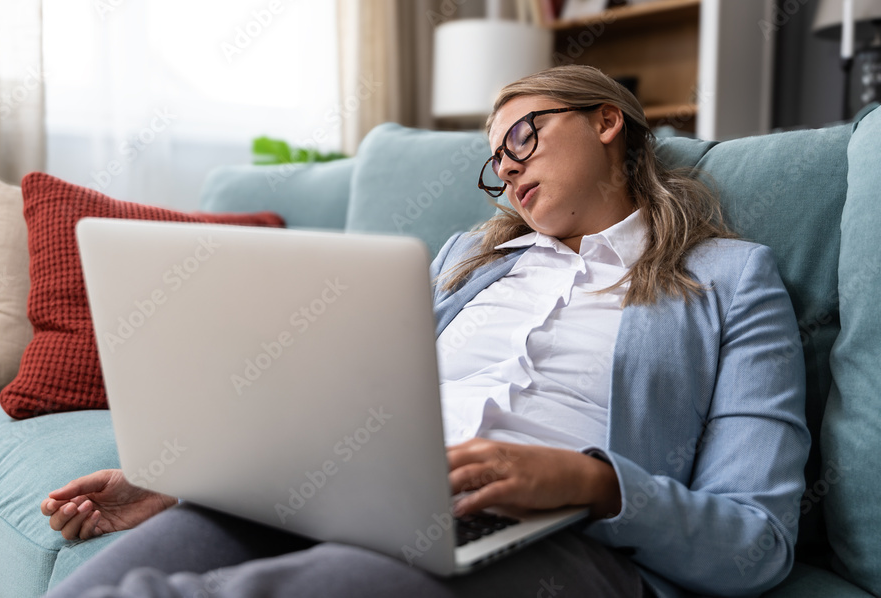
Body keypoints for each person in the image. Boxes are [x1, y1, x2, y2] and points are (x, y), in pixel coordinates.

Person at [41, 65, 810, 598]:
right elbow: (343, 405)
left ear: (607, 120)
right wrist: (185, 481)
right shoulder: (467, 261)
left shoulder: (731, 279)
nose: (506, 171)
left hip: (562, 543)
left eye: (523, 139)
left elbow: (758, 543)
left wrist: (585, 480)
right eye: (495, 163)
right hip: (364, 493)